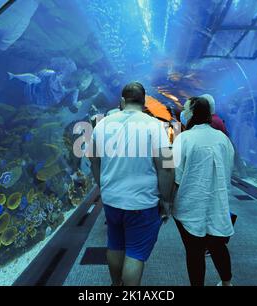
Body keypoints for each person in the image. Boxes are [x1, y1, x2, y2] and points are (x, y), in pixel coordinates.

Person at [88, 82, 174, 286]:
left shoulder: (103, 124)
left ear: (122, 101)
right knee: (135, 253)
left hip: (112, 201)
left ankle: (115, 285)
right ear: (144, 104)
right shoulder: (155, 126)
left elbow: (93, 160)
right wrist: (167, 199)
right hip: (142, 202)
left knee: (115, 245)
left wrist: (103, 187)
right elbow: (167, 167)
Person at [172, 96, 235, 287]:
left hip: (189, 204)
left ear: (192, 113)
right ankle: (227, 283)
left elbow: (174, 175)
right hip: (217, 202)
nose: (182, 113)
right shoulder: (223, 139)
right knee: (218, 246)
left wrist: (166, 202)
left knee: (194, 251)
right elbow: (228, 168)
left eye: (185, 109)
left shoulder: (183, 138)